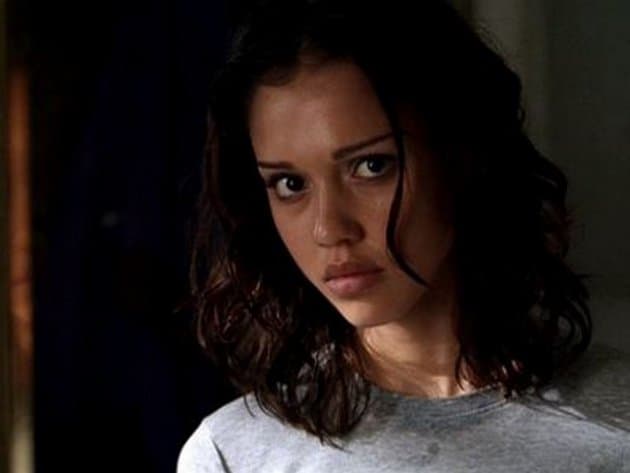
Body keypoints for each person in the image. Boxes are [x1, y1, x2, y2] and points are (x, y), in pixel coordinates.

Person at [178, 0, 630, 471]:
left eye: (371, 166)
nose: (329, 229)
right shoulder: (233, 456)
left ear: (461, 155)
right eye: (290, 184)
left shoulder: (618, 426)